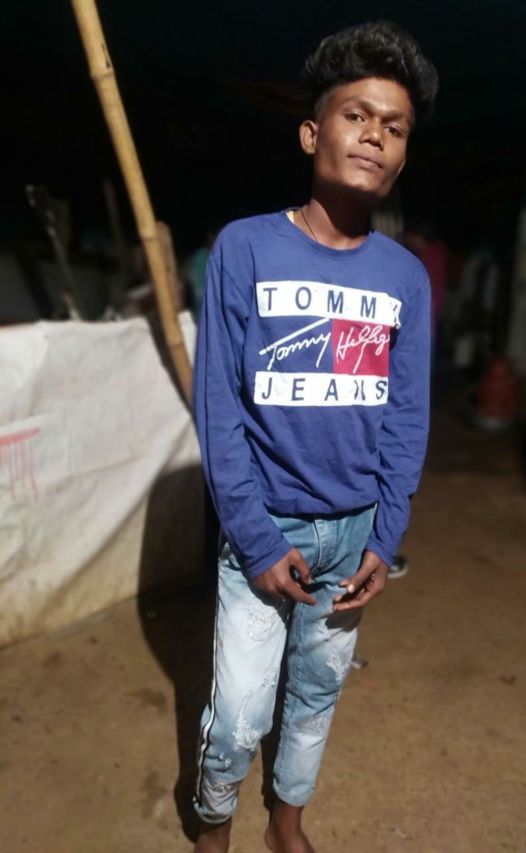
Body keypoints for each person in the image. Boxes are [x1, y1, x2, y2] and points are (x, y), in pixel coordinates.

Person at [192, 21, 437, 852]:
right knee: (240, 710)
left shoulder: (404, 277)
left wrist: (385, 536)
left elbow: (407, 416)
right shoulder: (245, 248)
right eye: (355, 114)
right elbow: (218, 407)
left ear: (403, 154)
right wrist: (255, 537)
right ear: (311, 132)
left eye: (394, 126)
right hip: (264, 531)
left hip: (353, 537)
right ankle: (214, 822)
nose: (374, 135)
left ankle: (286, 820)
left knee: (317, 692)